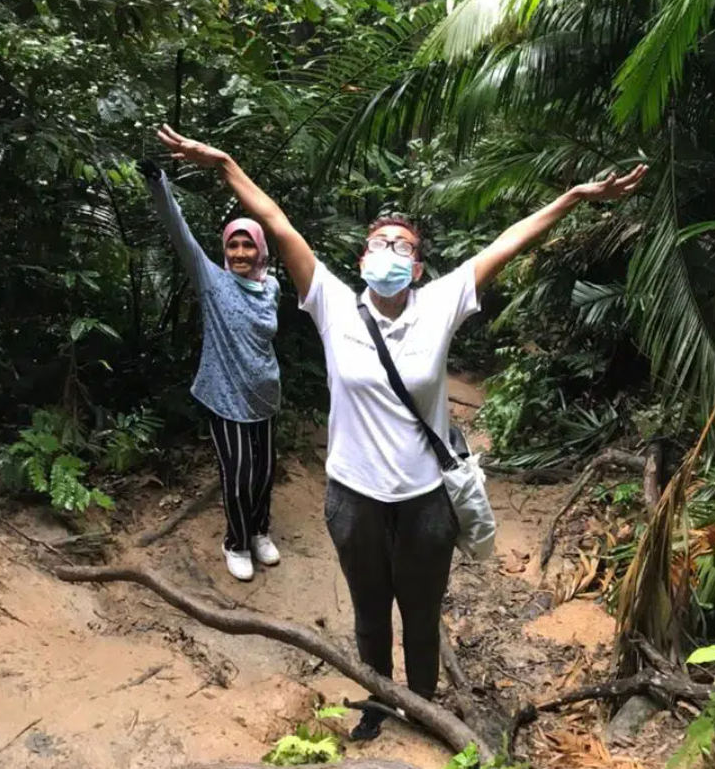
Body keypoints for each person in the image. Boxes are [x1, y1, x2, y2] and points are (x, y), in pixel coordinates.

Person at [155, 124, 647, 738]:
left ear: (416, 264)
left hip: (425, 501)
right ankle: (377, 704)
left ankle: (423, 707)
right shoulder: (330, 300)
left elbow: (510, 242)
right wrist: (225, 162)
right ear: (363, 258)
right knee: (368, 615)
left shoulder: (441, 303)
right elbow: (276, 222)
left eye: (403, 245)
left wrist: (572, 197)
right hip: (353, 497)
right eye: (379, 241)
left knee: (419, 613)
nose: (390, 250)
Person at [139, 158, 282, 582]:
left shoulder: (271, 286)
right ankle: (235, 542)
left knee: (264, 472)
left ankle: (259, 531)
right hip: (226, 396)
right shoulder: (212, 280)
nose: (240, 253)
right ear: (225, 250)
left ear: (260, 249)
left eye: (248, 245)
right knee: (237, 475)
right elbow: (179, 232)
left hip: (266, 395)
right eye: (233, 246)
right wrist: (157, 184)